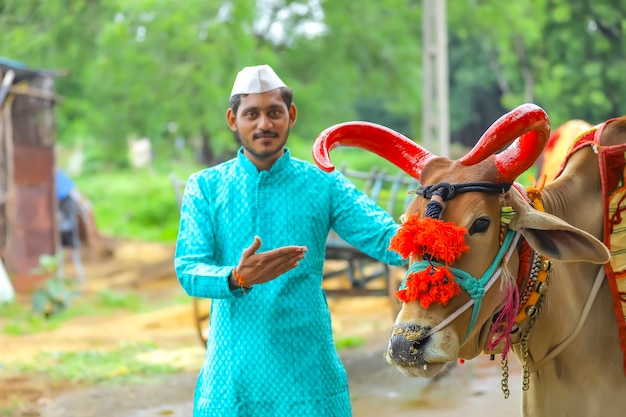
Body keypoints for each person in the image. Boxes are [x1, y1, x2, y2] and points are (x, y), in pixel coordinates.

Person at [174, 64, 406, 417]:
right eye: (252, 114)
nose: (264, 124)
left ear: (291, 115)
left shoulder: (324, 184)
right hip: (232, 374)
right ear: (232, 120)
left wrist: (440, 239)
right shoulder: (205, 187)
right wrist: (237, 278)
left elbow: (384, 237)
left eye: (274, 112)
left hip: (308, 371)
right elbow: (188, 269)